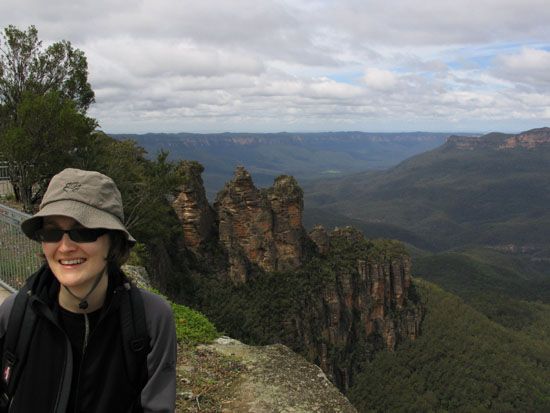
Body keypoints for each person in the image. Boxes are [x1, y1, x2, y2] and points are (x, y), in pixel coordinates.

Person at [0, 168, 176, 412]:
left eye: (83, 230)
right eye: (51, 232)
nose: (65, 247)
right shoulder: (15, 315)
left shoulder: (149, 319)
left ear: (113, 242)